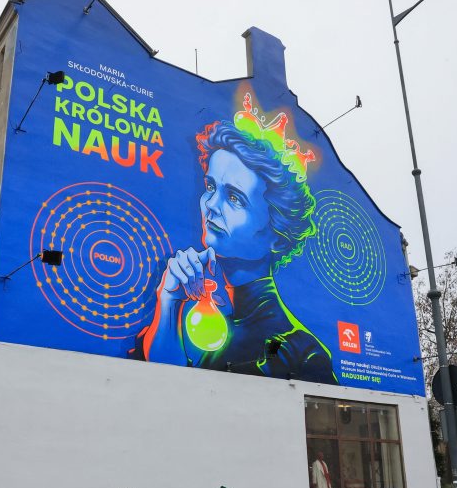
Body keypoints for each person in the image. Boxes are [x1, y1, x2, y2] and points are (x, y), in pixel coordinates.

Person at [131, 95, 336, 385]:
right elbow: (160, 390)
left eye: (235, 198)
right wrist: (169, 302)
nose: (210, 205)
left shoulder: (299, 351)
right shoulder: (199, 307)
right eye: (210, 186)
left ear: (277, 238)